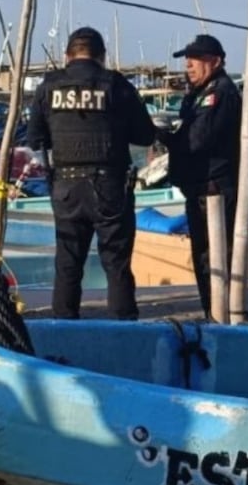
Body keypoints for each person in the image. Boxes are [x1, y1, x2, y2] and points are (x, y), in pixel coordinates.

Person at [27, 27, 157, 320]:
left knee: (68, 263)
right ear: (102, 56)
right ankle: (123, 326)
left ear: (67, 55)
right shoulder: (116, 85)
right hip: (109, 185)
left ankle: (64, 324)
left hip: (66, 186)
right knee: (116, 262)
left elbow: (35, 139)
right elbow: (145, 135)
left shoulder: (49, 86)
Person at [157, 34, 242, 320]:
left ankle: (220, 313)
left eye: (195, 60)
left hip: (214, 190)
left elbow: (197, 139)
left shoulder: (219, 93)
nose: (188, 65)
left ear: (215, 62)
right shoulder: (200, 93)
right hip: (200, 189)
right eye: (187, 60)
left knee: (213, 257)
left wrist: (167, 137)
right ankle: (212, 311)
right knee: (204, 256)